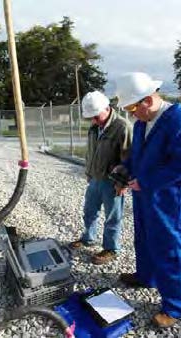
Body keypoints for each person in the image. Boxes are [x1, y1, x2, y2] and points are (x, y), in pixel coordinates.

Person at [114, 72, 181, 328]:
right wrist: (125, 168)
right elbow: (139, 154)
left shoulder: (180, 122)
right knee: (143, 237)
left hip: (169, 198)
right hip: (145, 194)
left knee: (169, 247)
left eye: (132, 107)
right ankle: (147, 276)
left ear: (147, 100)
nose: (131, 114)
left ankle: (175, 305)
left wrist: (148, 181)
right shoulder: (145, 122)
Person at [70, 90, 132, 265]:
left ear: (107, 108)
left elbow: (130, 158)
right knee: (89, 211)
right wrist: (89, 173)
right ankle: (88, 238)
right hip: (95, 178)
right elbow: (92, 152)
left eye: (96, 116)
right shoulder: (95, 127)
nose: (94, 120)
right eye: (91, 118)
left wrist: (123, 183)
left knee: (113, 216)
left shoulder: (122, 127)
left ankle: (111, 248)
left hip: (113, 182)